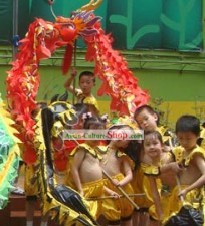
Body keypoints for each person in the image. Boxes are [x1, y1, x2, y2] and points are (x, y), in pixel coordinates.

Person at [161, 115, 205, 226]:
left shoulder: (197, 153)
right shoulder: (177, 152)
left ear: (198, 136)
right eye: (181, 138)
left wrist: (188, 189)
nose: (184, 142)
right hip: (178, 193)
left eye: (188, 138)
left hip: (191, 196)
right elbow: (160, 170)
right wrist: (171, 165)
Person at [64, 113, 105, 223]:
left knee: (93, 218)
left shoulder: (97, 151)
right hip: (86, 190)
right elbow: (74, 169)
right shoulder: (82, 148)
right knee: (85, 219)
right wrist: (80, 189)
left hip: (96, 192)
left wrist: (110, 192)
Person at [99, 124, 135, 226]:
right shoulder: (97, 151)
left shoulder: (122, 156)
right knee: (110, 215)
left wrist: (120, 183)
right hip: (104, 187)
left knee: (126, 217)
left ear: (126, 145)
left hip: (120, 187)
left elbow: (129, 175)